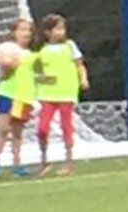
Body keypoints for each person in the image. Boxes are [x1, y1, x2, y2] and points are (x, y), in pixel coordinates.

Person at [36, 13, 89, 177]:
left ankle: (68, 162)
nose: (61, 32)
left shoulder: (70, 46)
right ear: (47, 32)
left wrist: (83, 79)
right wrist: (44, 79)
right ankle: (44, 160)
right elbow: (37, 73)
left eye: (62, 28)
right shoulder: (42, 51)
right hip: (48, 93)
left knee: (66, 126)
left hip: (66, 92)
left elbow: (79, 65)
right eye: (57, 29)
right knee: (42, 128)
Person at [0, 18, 40, 178]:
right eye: (22, 29)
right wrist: (9, 64)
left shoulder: (31, 55)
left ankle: (17, 164)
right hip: (8, 94)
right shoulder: (8, 49)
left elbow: (36, 76)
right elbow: (4, 73)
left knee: (18, 132)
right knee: (3, 128)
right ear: (14, 33)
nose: (26, 33)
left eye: (28, 30)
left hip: (23, 97)